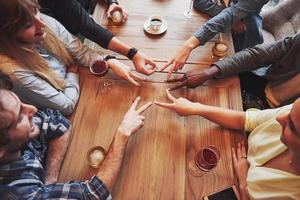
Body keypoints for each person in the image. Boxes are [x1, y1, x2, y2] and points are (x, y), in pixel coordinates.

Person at [0, 83, 152, 199]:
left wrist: (49, 181)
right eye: (20, 116)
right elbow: (94, 194)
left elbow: (57, 122)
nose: (32, 109)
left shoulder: (11, 130)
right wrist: (123, 133)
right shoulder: (18, 193)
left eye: (21, 103)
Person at [0, 0, 149, 115]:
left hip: (78, 87)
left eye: (36, 11)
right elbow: (66, 105)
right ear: (8, 34)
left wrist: (108, 60)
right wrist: (71, 74)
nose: (41, 23)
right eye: (27, 25)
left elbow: (81, 53)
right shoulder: (15, 73)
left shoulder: (44, 22)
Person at [155, 89, 300, 199]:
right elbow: (247, 119)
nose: (280, 118)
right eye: (290, 109)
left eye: (292, 127)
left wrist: (243, 184)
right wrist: (196, 108)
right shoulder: (291, 114)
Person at [166, 33, 300, 109]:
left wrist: (200, 110)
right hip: (260, 83)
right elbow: (257, 55)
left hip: (271, 115)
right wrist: (209, 71)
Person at [39, 0, 157, 75]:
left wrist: (112, 2)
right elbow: (86, 26)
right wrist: (133, 54)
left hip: (93, 12)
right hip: (74, 33)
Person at [161, 0, 270, 79]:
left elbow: (229, 15)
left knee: (235, 77)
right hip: (226, 23)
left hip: (246, 34)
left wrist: (188, 45)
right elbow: (199, 2)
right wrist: (232, 18)